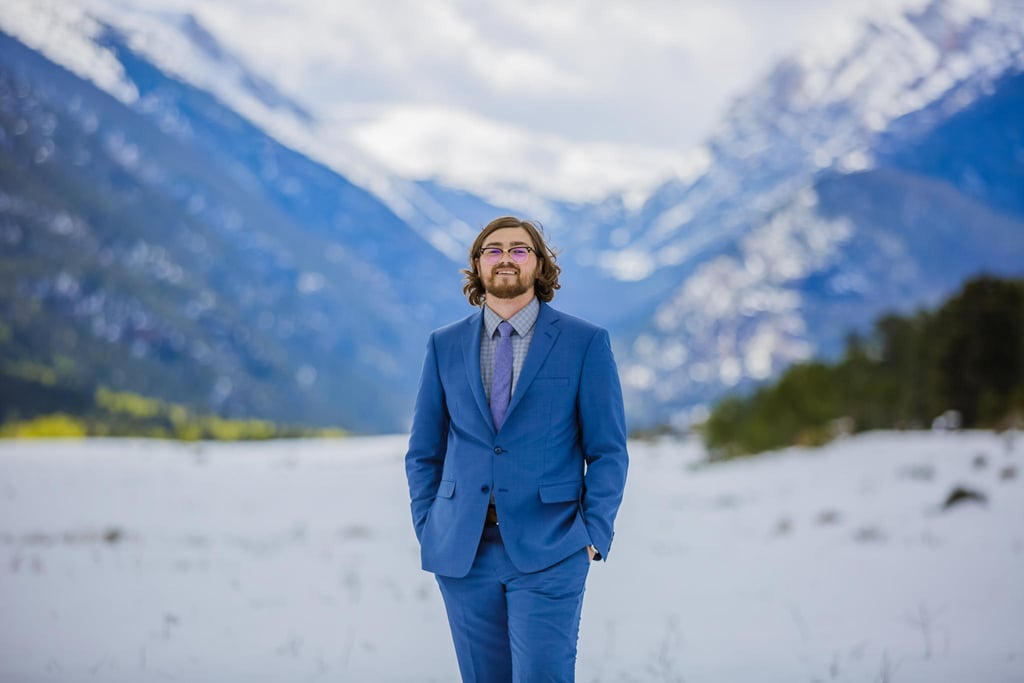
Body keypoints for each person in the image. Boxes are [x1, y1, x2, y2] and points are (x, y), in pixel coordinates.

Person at [405, 215, 629, 682]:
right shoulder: (443, 345)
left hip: (552, 548)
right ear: (478, 265)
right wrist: (430, 526)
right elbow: (424, 451)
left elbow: (608, 450)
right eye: (494, 249)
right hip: (463, 552)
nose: (506, 257)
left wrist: (592, 535)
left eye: (519, 249)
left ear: (540, 265)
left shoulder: (585, 343)